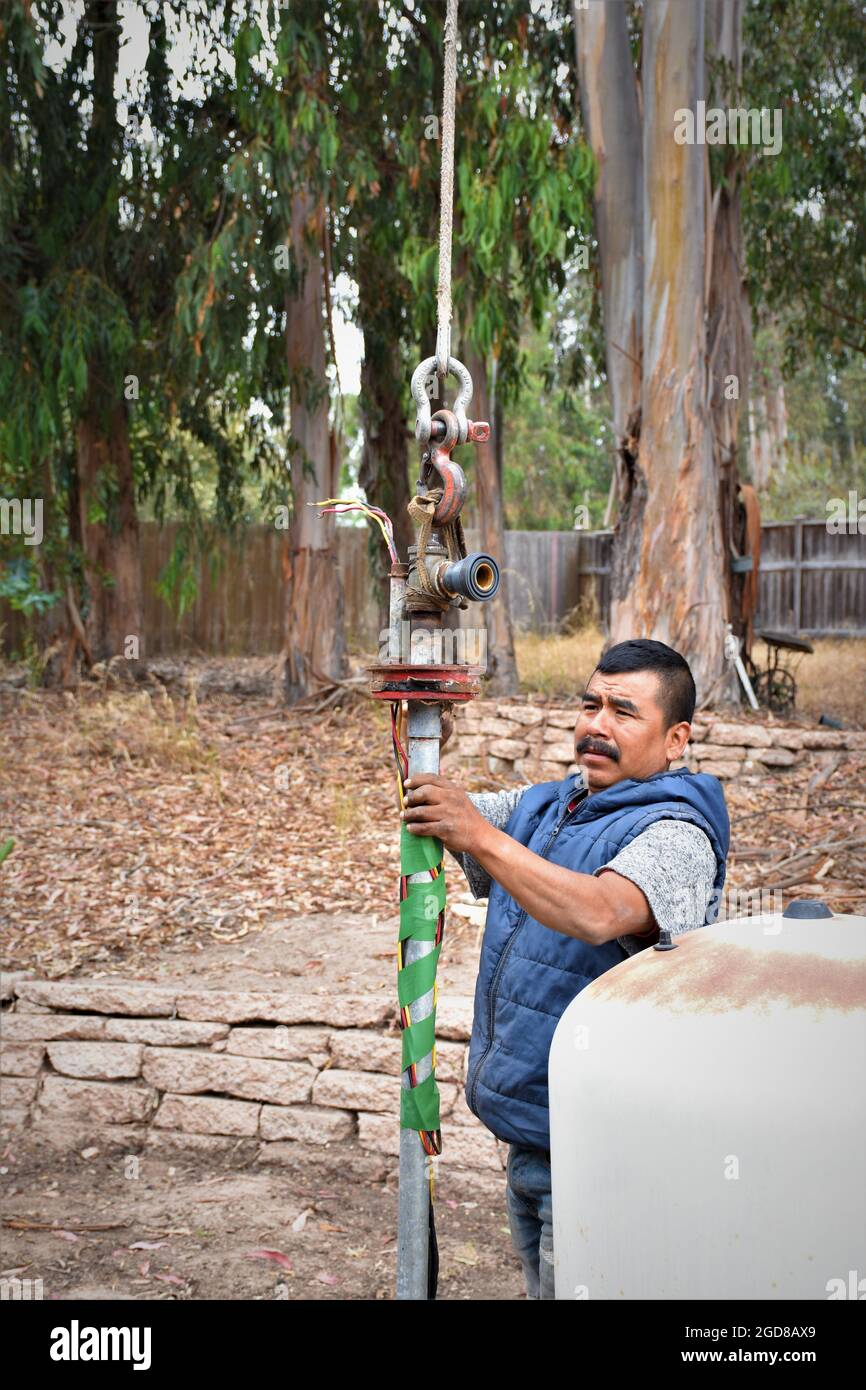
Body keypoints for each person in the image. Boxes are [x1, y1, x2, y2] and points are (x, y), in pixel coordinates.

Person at [400, 638, 730, 1300]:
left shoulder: (678, 835)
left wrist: (483, 837)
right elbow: (441, 811)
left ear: (676, 740)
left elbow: (602, 911)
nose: (596, 725)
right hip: (534, 1143)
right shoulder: (551, 807)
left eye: (623, 711)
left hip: (610, 1159)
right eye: (590, 704)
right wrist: (422, 729)